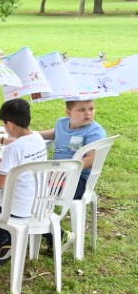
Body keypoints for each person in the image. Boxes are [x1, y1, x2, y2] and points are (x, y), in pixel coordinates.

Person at [0, 98, 47, 266]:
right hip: (38, 203)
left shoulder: (12, 150)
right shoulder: (38, 138)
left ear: (9, 125)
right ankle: (5, 239)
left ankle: (3, 242)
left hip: (17, 207)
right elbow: (21, 145)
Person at [38, 99, 106, 254]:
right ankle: (48, 232)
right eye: (81, 110)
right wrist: (32, 135)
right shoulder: (62, 123)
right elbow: (54, 133)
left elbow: (91, 159)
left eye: (91, 108)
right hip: (57, 176)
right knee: (30, 189)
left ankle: (56, 236)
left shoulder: (94, 132)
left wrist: (64, 170)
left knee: (35, 194)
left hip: (77, 180)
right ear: (69, 113)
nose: (88, 113)